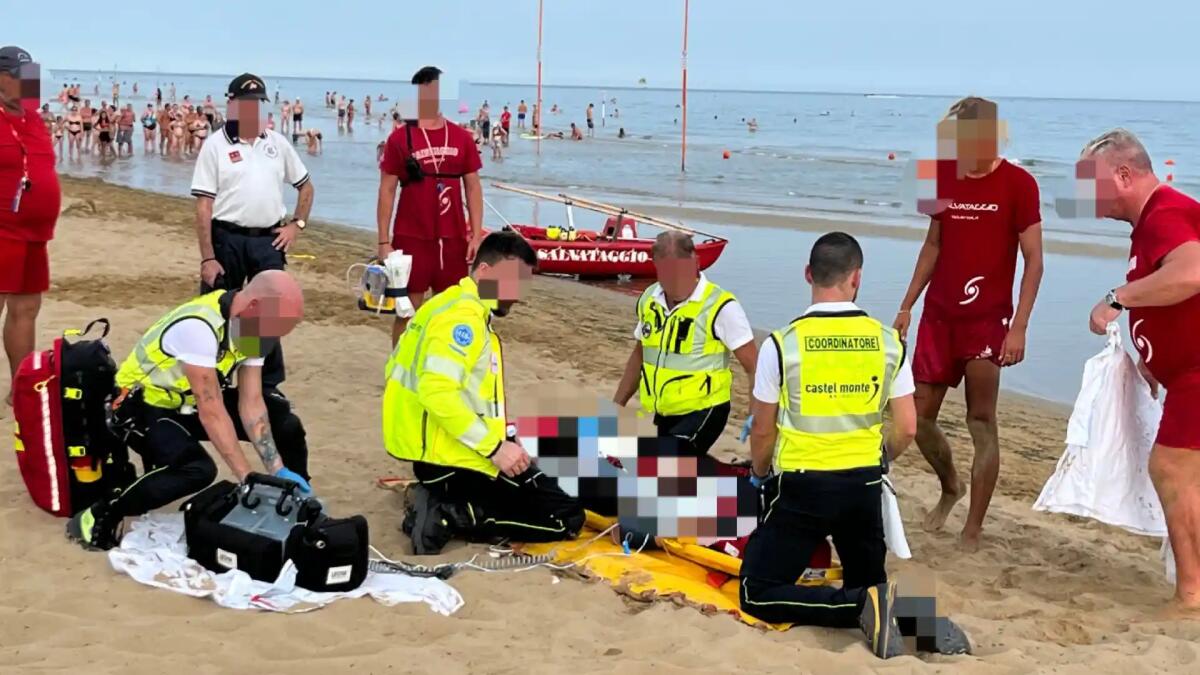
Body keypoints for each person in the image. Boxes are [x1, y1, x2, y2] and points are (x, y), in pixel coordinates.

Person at [740, 232, 941, 659]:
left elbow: (762, 430)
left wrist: (759, 475)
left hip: (801, 486)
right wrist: (879, 459)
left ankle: (860, 607)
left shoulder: (782, 344)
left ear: (808, 275)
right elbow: (907, 426)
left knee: (756, 593)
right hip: (862, 487)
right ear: (857, 279)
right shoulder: (888, 342)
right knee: (867, 582)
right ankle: (898, 614)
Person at [893, 96, 1044, 552]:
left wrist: (1018, 327)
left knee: (982, 420)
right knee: (917, 418)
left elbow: (1034, 260)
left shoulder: (1020, 183)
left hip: (987, 319)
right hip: (939, 315)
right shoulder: (939, 175)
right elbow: (932, 246)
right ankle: (950, 486)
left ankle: (973, 528)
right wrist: (907, 305)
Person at [66, 271, 311, 551]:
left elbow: (252, 403)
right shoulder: (198, 328)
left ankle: (295, 501)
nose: (274, 339)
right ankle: (99, 513)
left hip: (186, 403)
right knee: (197, 469)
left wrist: (277, 469)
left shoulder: (253, 327)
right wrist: (247, 479)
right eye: (275, 329)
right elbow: (212, 412)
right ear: (254, 307)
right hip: (140, 405)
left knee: (284, 423)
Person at [383, 231, 585, 554]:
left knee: (544, 479)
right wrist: (495, 449)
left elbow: (460, 393)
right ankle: (450, 515)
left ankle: (447, 500)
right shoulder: (462, 320)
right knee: (566, 515)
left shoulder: (446, 304)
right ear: (486, 273)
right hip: (447, 457)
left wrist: (504, 435)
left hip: (435, 449)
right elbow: (437, 392)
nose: (518, 295)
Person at [1080, 129, 1200, 610]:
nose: (1085, 196)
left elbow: (1191, 273)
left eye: (1091, 183)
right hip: (1183, 373)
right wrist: (1151, 356)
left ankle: (1191, 593)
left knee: (1170, 468)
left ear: (1124, 175)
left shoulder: (1165, 212)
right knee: (1183, 473)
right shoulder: (1153, 221)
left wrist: (1116, 299)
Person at [191, 72, 314, 391]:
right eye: (245, 104)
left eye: (257, 104)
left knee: (271, 312)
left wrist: (296, 225)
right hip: (227, 238)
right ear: (231, 105)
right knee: (219, 307)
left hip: (268, 241)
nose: (251, 111)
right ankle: (213, 376)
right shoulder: (215, 146)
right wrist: (208, 258)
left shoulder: (277, 143)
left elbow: (306, 187)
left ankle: (267, 383)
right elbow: (204, 206)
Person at [613, 230, 758, 461]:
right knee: (670, 474)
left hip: (706, 408)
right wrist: (617, 405)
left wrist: (756, 414)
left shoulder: (721, 306)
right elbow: (641, 354)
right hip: (665, 410)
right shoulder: (649, 299)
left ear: (696, 262)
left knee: (667, 465)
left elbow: (754, 366)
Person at [376, 66, 484, 346]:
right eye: (424, 90)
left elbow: (473, 186)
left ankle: (438, 363)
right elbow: (387, 190)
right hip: (412, 236)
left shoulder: (461, 138)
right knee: (407, 308)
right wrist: (383, 241)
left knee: (450, 309)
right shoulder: (400, 139)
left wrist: (476, 234)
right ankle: (400, 366)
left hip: (452, 237)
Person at [0, 46, 61, 405]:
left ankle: (19, 389)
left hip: (36, 233)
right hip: (2, 227)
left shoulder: (33, 117)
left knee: (26, 309)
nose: (29, 85)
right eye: (22, 78)